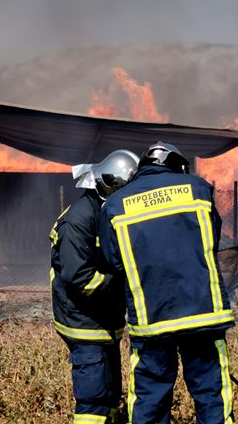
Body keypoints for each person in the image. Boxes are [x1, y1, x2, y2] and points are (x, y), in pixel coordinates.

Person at [99, 142, 235, 424]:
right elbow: (214, 238)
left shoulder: (114, 204)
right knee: (211, 394)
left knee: (149, 398)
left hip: (151, 320)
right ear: (175, 163)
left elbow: (112, 262)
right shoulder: (197, 189)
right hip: (203, 313)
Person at [50, 149, 140, 424]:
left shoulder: (103, 211)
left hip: (103, 321)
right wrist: (123, 285)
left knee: (110, 394)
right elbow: (79, 277)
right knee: (94, 401)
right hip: (85, 322)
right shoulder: (80, 218)